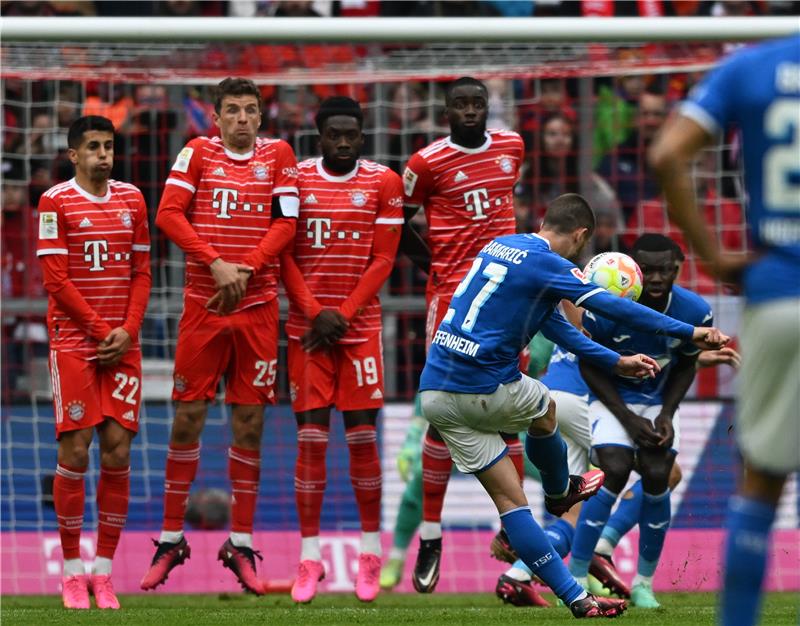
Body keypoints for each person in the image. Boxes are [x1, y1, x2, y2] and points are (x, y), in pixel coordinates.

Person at [418, 193, 729, 617]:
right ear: (582, 235)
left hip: (434, 394)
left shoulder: (501, 246)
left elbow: (561, 330)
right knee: (544, 407)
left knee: (512, 505)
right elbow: (613, 305)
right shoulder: (551, 264)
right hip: (483, 385)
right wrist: (691, 332)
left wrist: (616, 360)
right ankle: (560, 490)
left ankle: (577, 599)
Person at [648, 34, 800, 626]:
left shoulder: (750, 67)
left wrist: (710, 255)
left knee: (760, 483)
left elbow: (667, 153)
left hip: (779, 292)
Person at [140, 77, 299, 594]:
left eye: (250, 110)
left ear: (261, 115)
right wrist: (215, 263)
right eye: (232, 110)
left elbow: (287, 224)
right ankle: (170, 538)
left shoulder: (278, 154)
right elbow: (167, 214)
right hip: (202, 308)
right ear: (216, 115)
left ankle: (241, 542)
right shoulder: (196, 153)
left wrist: (245, 269)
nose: (242, 119)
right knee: (188, 415)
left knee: (249, 424)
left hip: (256, 309)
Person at [399, 76, 526, 592]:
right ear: (446, 110)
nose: (470, 111)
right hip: (450, 300)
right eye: (461, 104)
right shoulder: (424, 163)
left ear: (486, 107)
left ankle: (513, 528)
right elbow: (399, 224)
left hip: (505, 301)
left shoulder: (512, 147)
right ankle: (431, 532)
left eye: (477, 103)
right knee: (441, 415)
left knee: (511, 410)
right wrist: (436, 264)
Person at [279, 97, 404, 604]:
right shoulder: (295, 179)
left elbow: (384, 259)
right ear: (320, 136)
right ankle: (309, 559)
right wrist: (315, 312)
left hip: (358, 329)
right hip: (307, 331)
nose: (345, 142)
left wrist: (343, 313)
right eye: (336, 134)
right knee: (310, 441)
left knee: (361, 441)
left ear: (362, 136)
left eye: (353, 133)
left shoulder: (383, 182)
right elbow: (283, 250)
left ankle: (370, 554)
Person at [36, 115, 151, 610]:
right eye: (94, 148)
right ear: (74, 155)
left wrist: (127, 330)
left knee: (120, 450)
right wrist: (105, 332)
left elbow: (143, 272)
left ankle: (103, 574)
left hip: (123, 343)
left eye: (109, 146)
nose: (104, 154)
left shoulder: (133, 200)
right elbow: (56, 282)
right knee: (77, 448)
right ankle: (70, 570)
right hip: (75, 342)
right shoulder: (55, 202)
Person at [566, 234, 713, 608]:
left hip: (655, 404)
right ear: (634, 270)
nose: (658, 277)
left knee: (657, 472)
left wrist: (666, 413)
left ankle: (644, 583)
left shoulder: (694, 311)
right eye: (648, 270)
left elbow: (686, 364)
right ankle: (578, 576)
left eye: (666, 269)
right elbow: (589, 363)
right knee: (613, 467)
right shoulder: (608, 306)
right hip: (611, 401)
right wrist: (628, 419)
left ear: (678, 268)